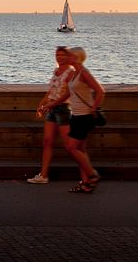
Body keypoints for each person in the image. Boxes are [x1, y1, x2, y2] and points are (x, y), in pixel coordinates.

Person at [27, 46, 75, 184]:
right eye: (57, 55)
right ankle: (43, 175)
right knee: (47, 141)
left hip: (63, 109)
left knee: (70, 145)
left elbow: (69, 93)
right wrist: (41, 104)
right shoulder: (56, 71)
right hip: (52, 109)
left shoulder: (71, 72)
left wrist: (52, 104)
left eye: (62, 55)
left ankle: (87, 171)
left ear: (68, 56)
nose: (59, 57)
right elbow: (51, 91)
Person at [64, 47, 104, 193]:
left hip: (84, 117)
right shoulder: (74, 73)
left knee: (71, 147)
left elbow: (100, 91)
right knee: (81, 149)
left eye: (70, 56)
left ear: (76, 57)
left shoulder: (84, 73)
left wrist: (94, 108)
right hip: (75, 115)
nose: (67, 58)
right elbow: (70, 93)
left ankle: (93, 175)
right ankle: (86, 184)